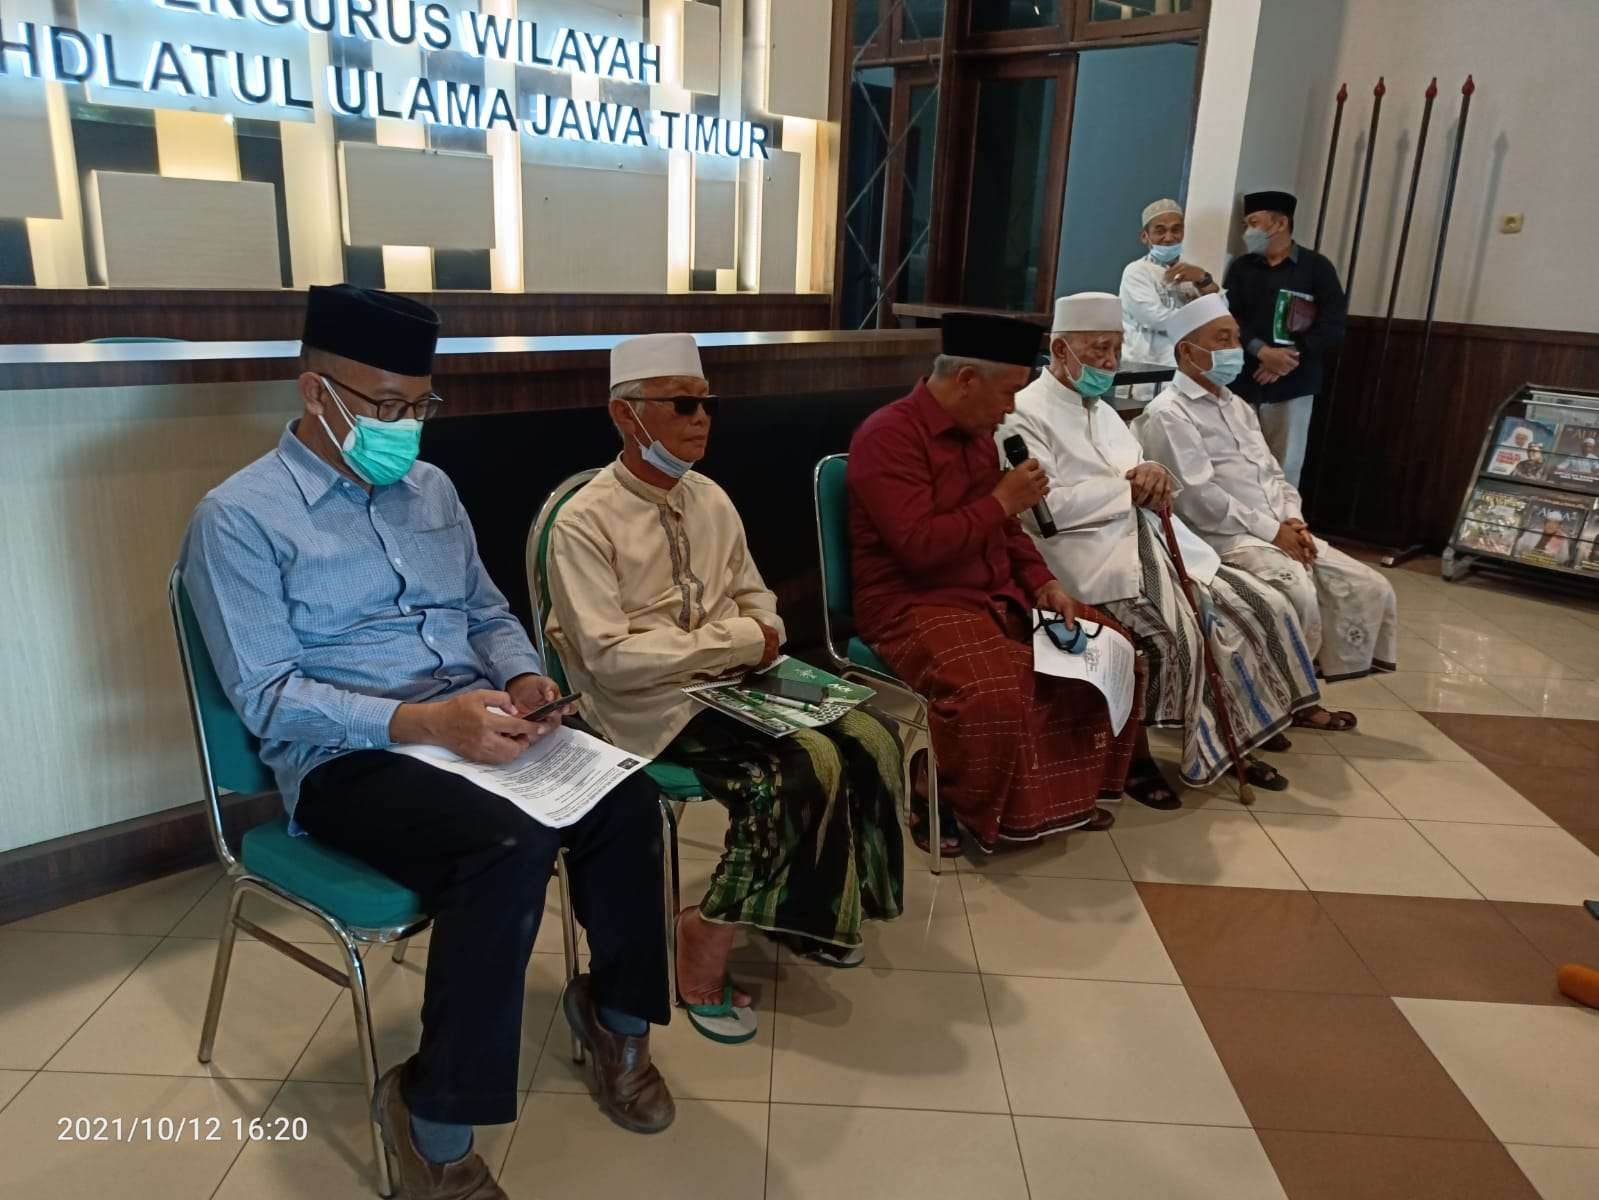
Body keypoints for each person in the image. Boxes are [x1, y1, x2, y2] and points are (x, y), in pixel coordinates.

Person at [180, 285, 674, 1200]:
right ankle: (431, 1118)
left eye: (419, 405)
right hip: (348, 758)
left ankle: (614, 1017)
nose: (404, 426)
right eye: (382, 405)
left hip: (471, 721)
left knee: (627, 798)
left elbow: (483, 609)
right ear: (313, 392)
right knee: (505, 845)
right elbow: (268, 696)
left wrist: (522, 676)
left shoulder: (430, 490)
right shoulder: (238, 518)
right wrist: (420, 724)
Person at [545, 333, 904, 1045]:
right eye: (682, 404)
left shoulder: (709, 497)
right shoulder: (583, 521)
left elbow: (755, 595)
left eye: (706, 402)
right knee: (802, 767)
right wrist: (743, 640)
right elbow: (611, 660)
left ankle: (809, 912)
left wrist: (757, 633)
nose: (701, 417)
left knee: (871, 737)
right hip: (648, 705)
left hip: (737, 682)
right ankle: (699, 941)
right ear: (625, 415)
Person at [1000, 292, 1321, 797]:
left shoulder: (1102, 411)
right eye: (1098, 350)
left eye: (1116, 349)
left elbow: (1144, 473)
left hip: (1147, 542)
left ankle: (1236, 737)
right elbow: (1045, 514)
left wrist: (1153, 475)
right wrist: (1125, 490)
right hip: (1082, 559)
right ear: (1060, 350)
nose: (1109, 362)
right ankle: (1138, 758)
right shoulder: (1022, 414)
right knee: (1179, 632)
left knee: (1261, 605)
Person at [847, 313, 1143, 854]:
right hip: (910, 603)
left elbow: (1006, 533)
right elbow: (918, 548)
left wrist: (1043, 583)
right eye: (1007, 392)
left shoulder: (981, 438)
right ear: (966, 379)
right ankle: (938, 791)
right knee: (998, 689)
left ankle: (1065, 795)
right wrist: (1003, 499)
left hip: (992, 594)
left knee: (1110, 651)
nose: (1010, 408)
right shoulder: (888, 436)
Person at [1138, 294, 1399, 694]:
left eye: (1235, 338)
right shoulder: (1169, 413)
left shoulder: (1237, 406)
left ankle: (1305, 682)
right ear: (1187, 352)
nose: (1234, 349)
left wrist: (1292, 519)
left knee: (1367, 584)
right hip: (1223, 537)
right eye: (1221, 339)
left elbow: (1272, 473)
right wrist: (1272, 530)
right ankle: (1287, 700)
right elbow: (1200, 499)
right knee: (1296, 592)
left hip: (1277, 526)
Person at [1223, 189, 1348, 487]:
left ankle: (1284, 530)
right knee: (1236, 463)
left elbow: (1333, 324)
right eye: (1245, 225)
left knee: (1284, 467)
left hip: (1294, 383)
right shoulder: (1242, 268)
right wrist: (1262, 352)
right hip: (1244, 378)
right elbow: (1230, 316)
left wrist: (1288, 358)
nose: (1247, 232)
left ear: (1279, 224)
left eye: (1253, 223)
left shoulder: (1317, 268)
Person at [1119, 199, 1221, 401]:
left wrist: (1203, 279)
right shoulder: (1137, 272)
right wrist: (1204, 322)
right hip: (1148, 368)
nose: (1169, 238)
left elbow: (1221, 314)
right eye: (1160, 231)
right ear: (1145, 236)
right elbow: (1156, 318)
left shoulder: (1191, 273)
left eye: (1176, 230)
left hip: (1186, 369)